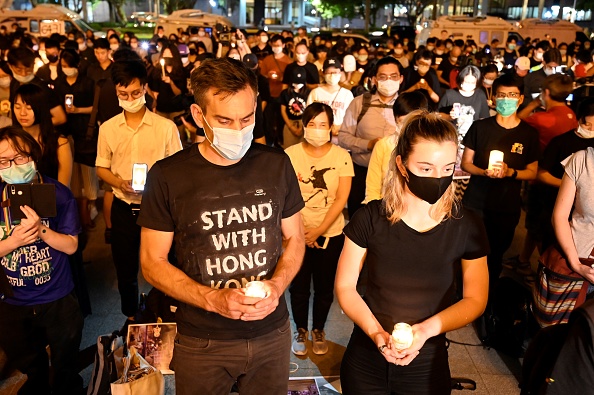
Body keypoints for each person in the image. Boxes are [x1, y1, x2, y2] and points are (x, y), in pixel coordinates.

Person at [137, 57, 305, 394]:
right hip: (203, 341)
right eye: (225, 120)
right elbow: (151, 262)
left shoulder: (277, 164)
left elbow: (295, 238)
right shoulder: (168, 175)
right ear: (199, 116)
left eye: (247, 119)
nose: (239, 131)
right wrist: (212, 299)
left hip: (271, 333)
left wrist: (277, 285)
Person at [336, 110, 489, 394]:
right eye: (426, 168)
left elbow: (475, 299)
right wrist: (377, 334)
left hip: (427, 363)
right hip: (367, 355)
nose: (438, 178)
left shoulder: (467, 225)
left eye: (447, 168)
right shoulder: (369, 218)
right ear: (402, 164)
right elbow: (345, 286)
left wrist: (425, 330)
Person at [95, 57, 182, 328]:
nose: (130, 98)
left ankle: (169, 311)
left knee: (166, 263)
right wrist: (119, 182)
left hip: (157, 209)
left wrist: (158, 185)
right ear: (116, 92)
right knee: (125, 268)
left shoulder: (164, 127)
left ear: (145, 88)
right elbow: (101, 168)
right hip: (123, 207)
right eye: (123, 94)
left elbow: (177, 167)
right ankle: (132, 315)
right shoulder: (108, 128)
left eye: (135, 92)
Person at [0, 126, 83, 394]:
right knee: (28, 362)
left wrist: (42, 231)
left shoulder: (58, 193)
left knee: (65, 362)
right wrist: (14, 241)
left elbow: (71, 246)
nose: (12, 165)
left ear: (34, 156)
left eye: (20, 157)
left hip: (57, 296)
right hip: (13, 300)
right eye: (3, 161)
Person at [460, 73, 539, 297]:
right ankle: (464, 295)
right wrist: (484, 172)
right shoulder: (480, 127)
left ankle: (486, 297)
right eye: (501, 95)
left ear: (521, 98)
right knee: (470, 252)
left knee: (495, 254)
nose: (506, 100)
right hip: (475, 201)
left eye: (512, 95)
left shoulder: (528, 134)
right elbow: (466, 164)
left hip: (506, 205)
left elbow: (532, 171)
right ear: (493, 98)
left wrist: (510, 172)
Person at [285, 102, 353, 356]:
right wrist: (301, 231)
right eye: (311, 124)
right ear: (303, 126)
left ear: (331, 127)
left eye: (322, 124)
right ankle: (300, 329)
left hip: (330, 234)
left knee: (325, 287)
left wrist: (319, 230)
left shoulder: (341, 156)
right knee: (299, 286)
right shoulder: (290, 155)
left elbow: (341, 198)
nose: (316, 129)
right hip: (296, 233)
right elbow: (285, 195)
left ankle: (319, 330)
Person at [338, 56, 402, 218]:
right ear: (374, 79)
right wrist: (368, 144)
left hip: (396, 175)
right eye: (383, 77)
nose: (388, 81)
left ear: (401, 79)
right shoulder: (360, 103)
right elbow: (344, 137)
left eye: (393, 76)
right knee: (359, 218)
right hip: (362, 172)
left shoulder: (406, 105)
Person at [54, 49, 97, 228]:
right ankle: (78, 205)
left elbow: (95, 106)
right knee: (71, 171)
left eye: (69, 66)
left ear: (77, 65)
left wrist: (78, 110)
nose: (66, 69)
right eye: (63, 66)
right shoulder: (58, 83)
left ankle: (92, 204)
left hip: (84, 130)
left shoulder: (88, 83)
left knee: (88, 169)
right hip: (66, 132)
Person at [365, 91, 429, 203]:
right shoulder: (384, 145)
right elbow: (372, 188)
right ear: (395, 119)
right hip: (387, 208)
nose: (407, 127)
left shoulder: (431, 147)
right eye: (403, 122)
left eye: (412, 122)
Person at [12, 84, 73, 187]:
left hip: (51, 200)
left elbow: (63, 187)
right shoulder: (10, 140)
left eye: (29, 108)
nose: (22, 113)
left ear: (41, 109)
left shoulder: (59, 143)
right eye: (17, 107)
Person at [7, 47, 67, 127]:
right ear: (10, 66)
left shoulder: (42, 88)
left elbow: (60, 118)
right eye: (19, 70)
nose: (24, 74)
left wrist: (34, 127)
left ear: (33, 65)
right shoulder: (14, 83)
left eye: (28, 69)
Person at [438, 64, 490, 135]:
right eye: (466, 82)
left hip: (473, 137)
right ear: (461, 80)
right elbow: (438, 115)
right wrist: (449, 117)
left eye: (472, 83)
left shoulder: (480, 95)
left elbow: (484, 119)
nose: (469, 85)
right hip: (452, 136)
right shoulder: (449, 94)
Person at [307, 58, 354, 136]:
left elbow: (352, 118)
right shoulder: (315, 93)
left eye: (335, 72)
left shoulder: (347, 94)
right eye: (329, 72)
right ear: (323, 73)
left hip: (341, 137)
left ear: (340, 73)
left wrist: (340, 127)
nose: (332, 75)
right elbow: (309, 116)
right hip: (320, 136)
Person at [149, 42, 188, 121]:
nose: (166, 56)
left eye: (169, 53)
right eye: (164, 53)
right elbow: (155, 92)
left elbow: (179, 93)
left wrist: (171, 82)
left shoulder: (181, 71)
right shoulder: (157, 71)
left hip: (177, 109)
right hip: (161, 109)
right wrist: (154, 106)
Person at [280, 67, 310, 148]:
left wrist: (302, 126)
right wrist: (290, 126)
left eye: (299, 83)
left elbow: (309, 111)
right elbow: (283, 111)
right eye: (295, 83)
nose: (297, 85)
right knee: (289, 149)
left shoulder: (308, 93)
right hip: (289, 122)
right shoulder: (285, 93)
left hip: (304, 122)